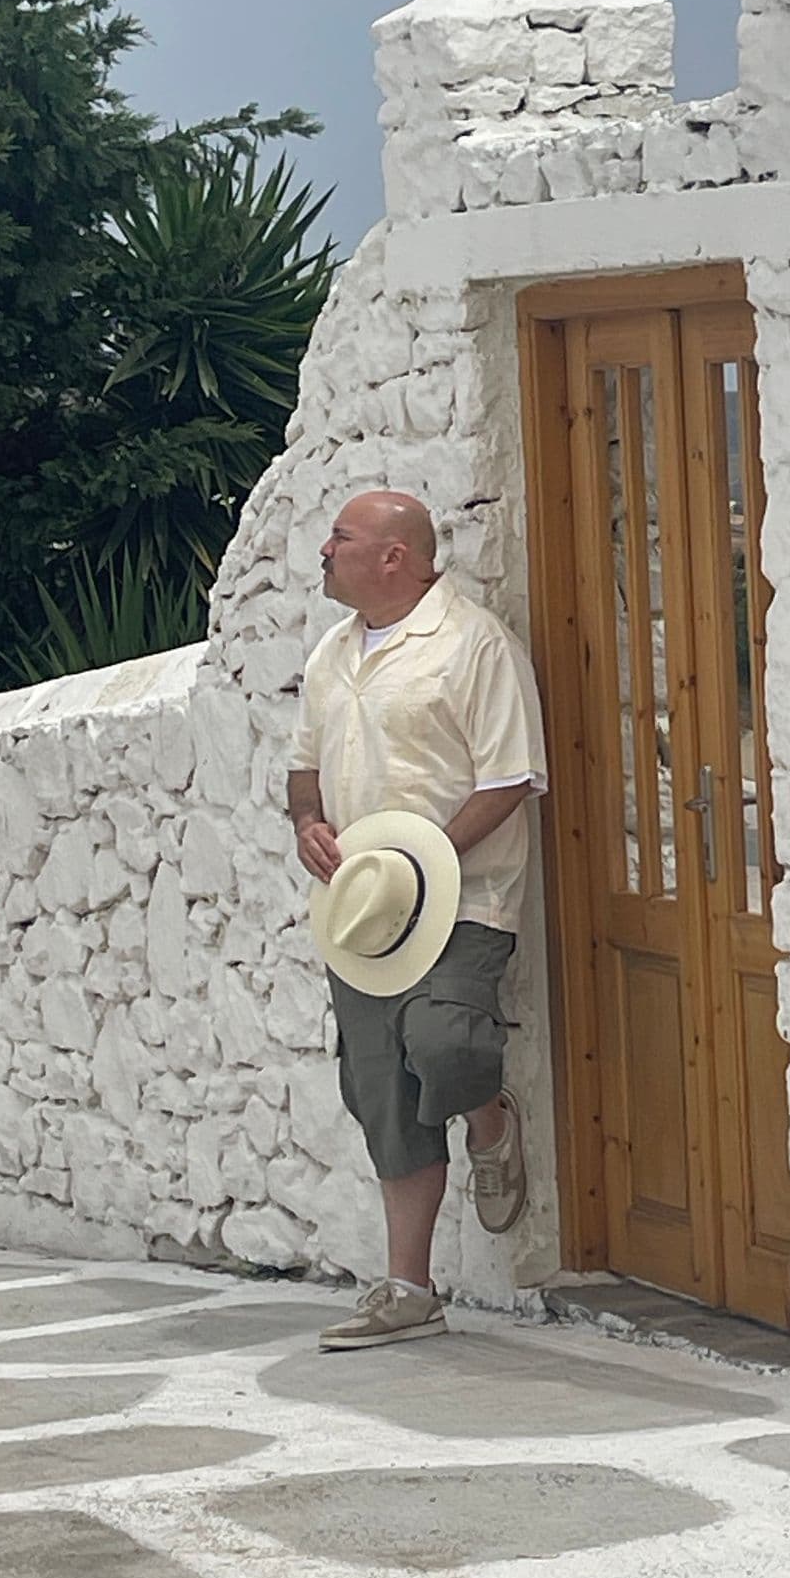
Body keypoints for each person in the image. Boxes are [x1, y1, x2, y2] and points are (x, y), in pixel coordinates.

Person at [288, 490, 547, 1350]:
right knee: (381, 1093)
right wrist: (307, 825)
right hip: (363, 912)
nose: (325, 551)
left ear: (395, 556)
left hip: (465, 896)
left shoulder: (473, 644)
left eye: (342, 538)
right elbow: (304, 768)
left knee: (447, 1043)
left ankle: (489, 1117)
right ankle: (409, 1288)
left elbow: (509, 778)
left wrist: (425, 858)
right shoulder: (331, 654)